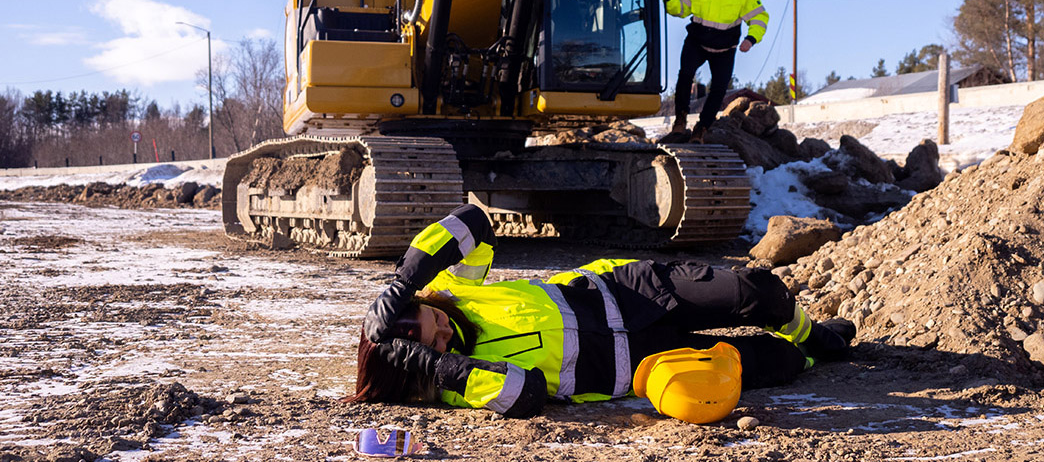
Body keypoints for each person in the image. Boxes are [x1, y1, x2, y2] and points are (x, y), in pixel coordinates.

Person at [345, 204, 853, 418]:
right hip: (642, 362)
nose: (445, 334)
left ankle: (817, 337)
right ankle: (802, 355)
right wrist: (437, 366)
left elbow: (472, 222)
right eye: (434, 345)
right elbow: (527, 394)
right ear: (415, 371)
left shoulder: (457, 292)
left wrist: (403, 281)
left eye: (434, 320)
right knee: (773, 362)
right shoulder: (462, 385)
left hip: (631, 291)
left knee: (756, 291)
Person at [661, 0, 769, 143]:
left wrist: (751, 38)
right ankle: (680, 121)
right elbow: (680, 10)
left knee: (718, 89)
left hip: (725, 48)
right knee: (685, 76)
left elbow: (759, 18)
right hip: (697, 42)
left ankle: (702, 129)